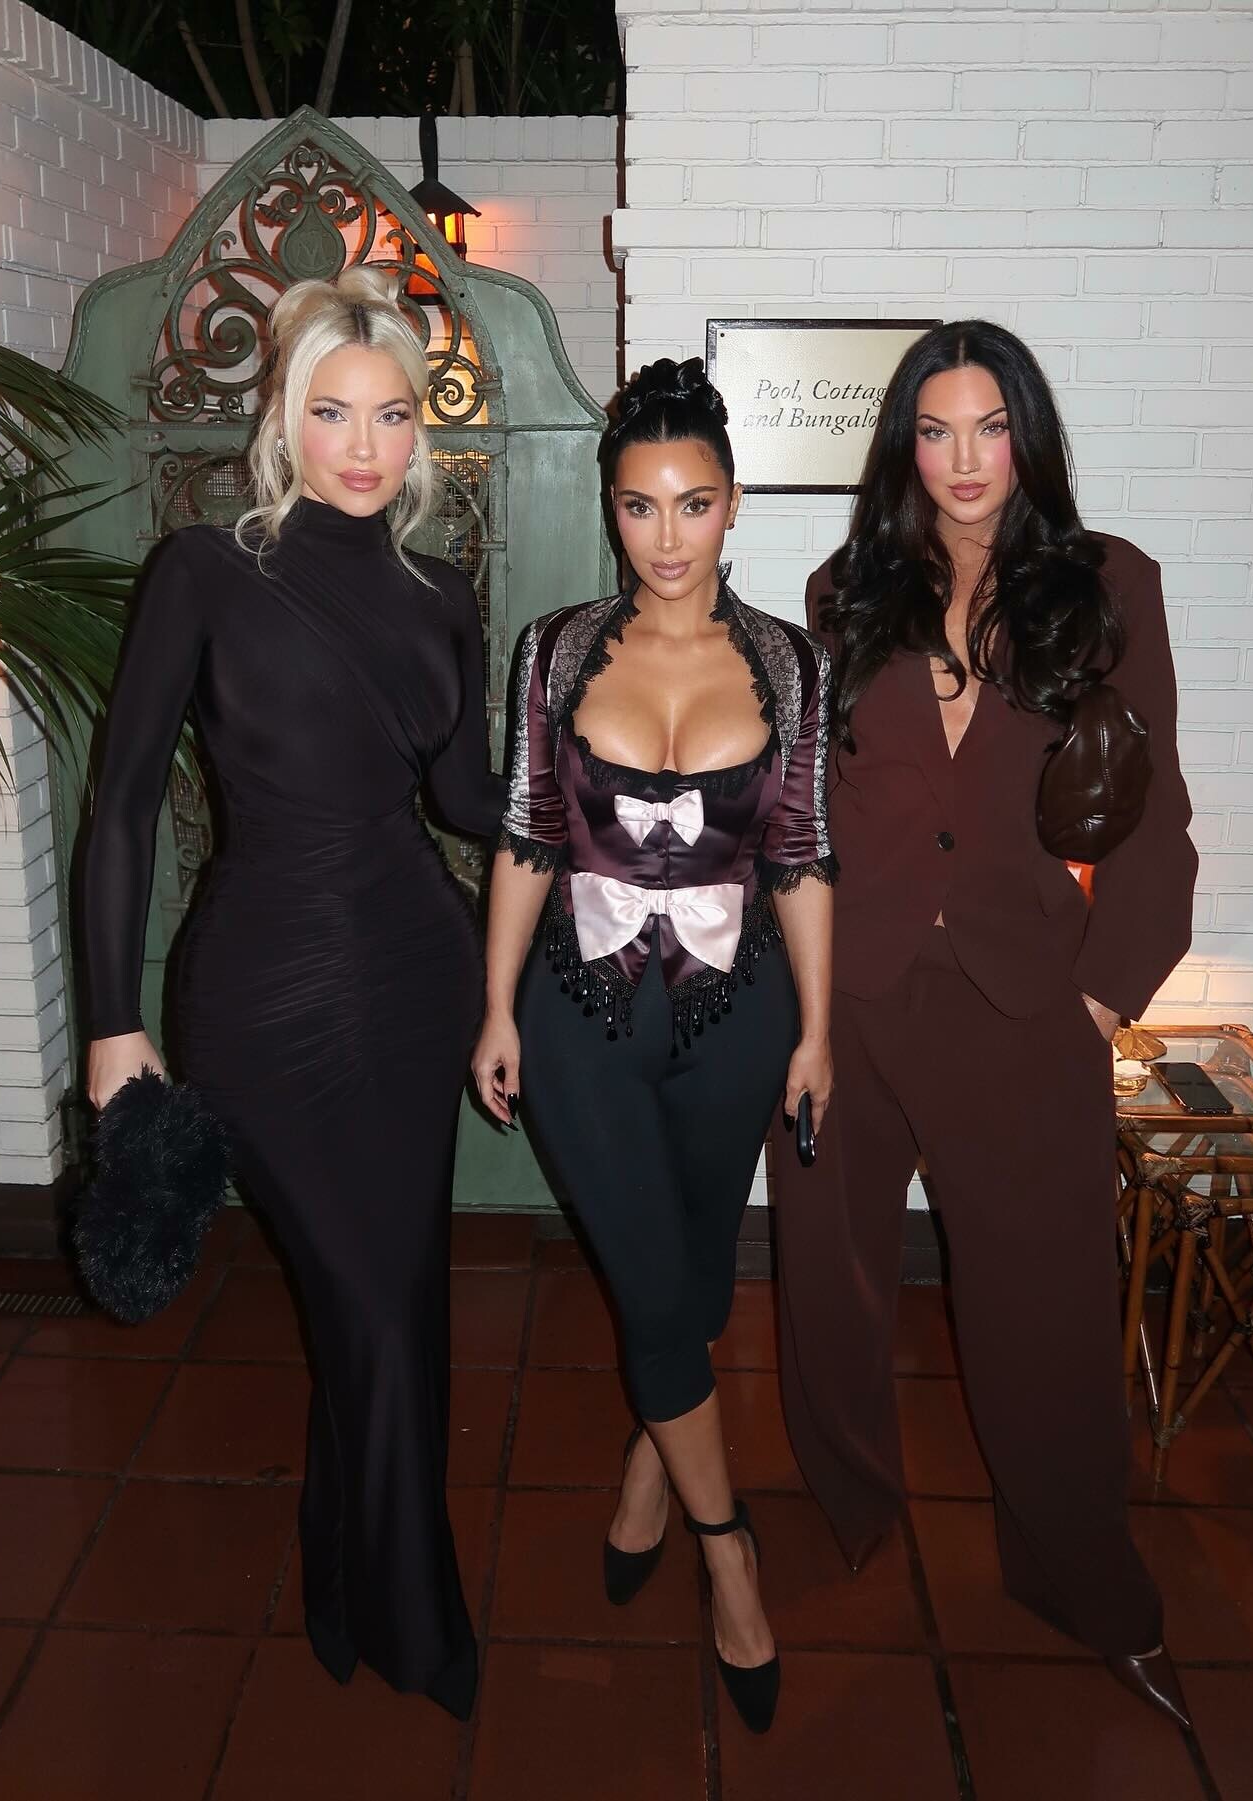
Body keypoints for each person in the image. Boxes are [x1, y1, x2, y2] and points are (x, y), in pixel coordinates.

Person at [79, 267, 504, 1720]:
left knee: (399, 1302)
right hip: (261, 993)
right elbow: (120, 806)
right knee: (368, 1308)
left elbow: (467, 800)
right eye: (332, 412)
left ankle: (347, 1574)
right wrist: (113, 1024)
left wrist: (612, 784)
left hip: (415, 972)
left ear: (420, 429)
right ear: (283, 418)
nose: (363, 445)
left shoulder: (446, 597)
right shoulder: (203, 572)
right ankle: (414, 1620)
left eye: (389, 415)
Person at [767, 319, 1198, 1727]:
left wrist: (1100, 995)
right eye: (936, 430)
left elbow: (1156, 823)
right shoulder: (847, 592)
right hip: (854, 996)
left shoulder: (1109, 585)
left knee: (1046, 1314)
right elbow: (812, 808)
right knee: (829, 1279)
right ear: (904, 445)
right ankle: (849, 1506)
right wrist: (796, 994)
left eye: (990, 427)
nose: (964, 459)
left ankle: (1082, 1577)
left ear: (1028, 436)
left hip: (1022, 1000)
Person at [471, 358, 835, 1735]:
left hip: (741, 1016)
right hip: (581, 1013)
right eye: (639, 505)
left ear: (734, 504)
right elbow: (526, 832)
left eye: (693, 504)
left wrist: (820, 1032)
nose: (666, 536)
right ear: (609, 506)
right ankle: (728, 1550)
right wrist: (496, 1005)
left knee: (691, 1274)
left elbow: (803, 853)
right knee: (646, 1267)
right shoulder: (556, 650)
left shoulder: (790, 662)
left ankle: (650, 1467)